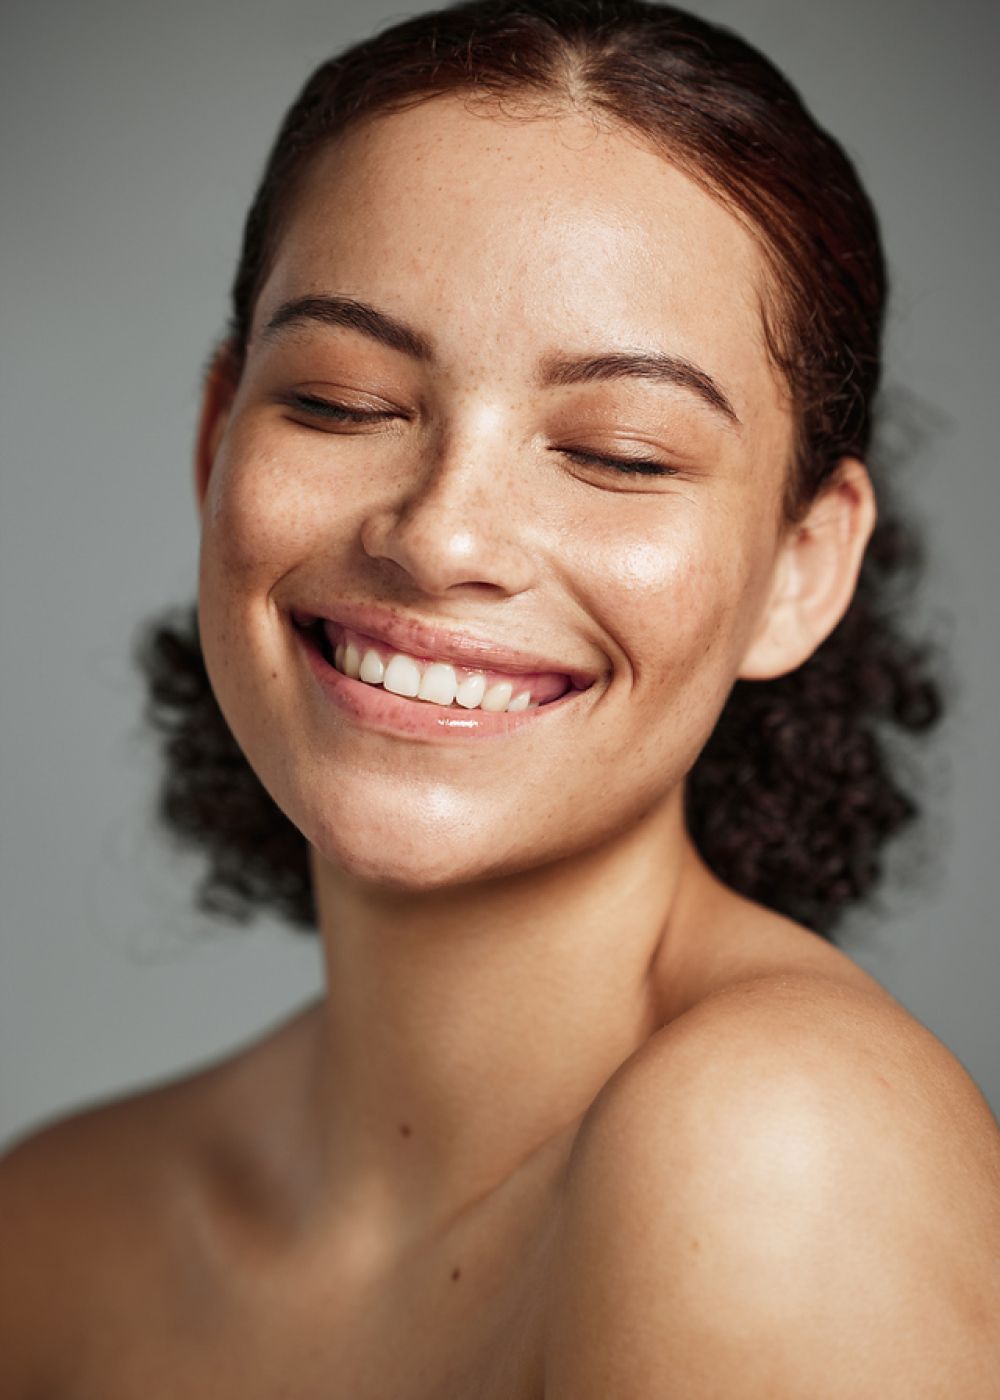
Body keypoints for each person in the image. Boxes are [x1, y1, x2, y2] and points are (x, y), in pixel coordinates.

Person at [2, 0, 998, 1394]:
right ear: (214, 444)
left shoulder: (783, 1157)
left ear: (801, 566)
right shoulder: (46, 1229)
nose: (441, 536)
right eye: (343, 402)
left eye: (620, 452)